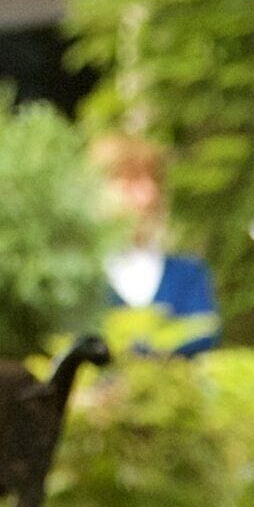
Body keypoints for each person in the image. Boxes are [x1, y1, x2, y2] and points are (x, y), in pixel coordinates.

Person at [91, 130, 219, 354]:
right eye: (132, 182)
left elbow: (204, 338)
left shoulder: (188, 275)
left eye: (154, 181)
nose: (149, 195)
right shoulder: (82, 281)